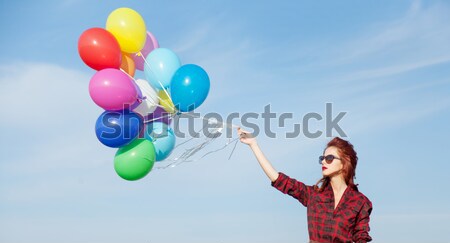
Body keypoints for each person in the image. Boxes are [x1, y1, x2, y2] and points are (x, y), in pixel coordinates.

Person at [237, 127, 372, 243]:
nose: (324, 162)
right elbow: (278, 179)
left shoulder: (360, 202)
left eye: (329, 158)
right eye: (322, 158)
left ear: (344, 162)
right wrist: (253, 145)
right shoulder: (313, 195)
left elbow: (361, 238)